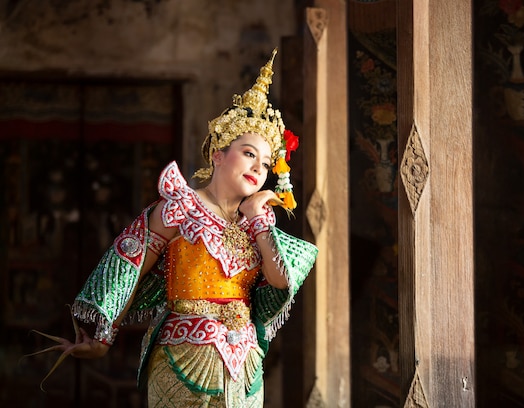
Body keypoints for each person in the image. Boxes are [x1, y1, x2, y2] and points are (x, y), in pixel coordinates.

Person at [30, 48, 318, 407]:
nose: (258, 168)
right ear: (217, 154)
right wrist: (105, 336)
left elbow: (280, 281)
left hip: (244, 362)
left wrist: (260, 220)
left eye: (265, 163)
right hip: (182, 354)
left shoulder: (257, 222)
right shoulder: (180, 207)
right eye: (247, 153)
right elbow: (131, 266)